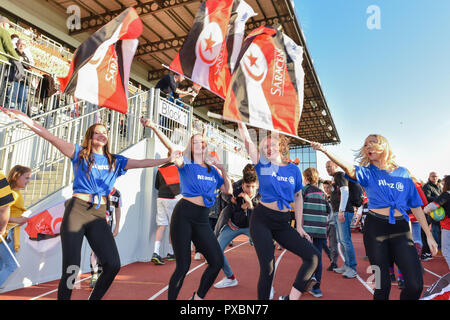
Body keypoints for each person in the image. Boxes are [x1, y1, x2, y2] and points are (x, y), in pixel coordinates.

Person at [1, 108, 181, 300]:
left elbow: (143, 162)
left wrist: (167, 159)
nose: (102, 135)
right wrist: (23, 118)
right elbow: (50, 137)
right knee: (71, 267)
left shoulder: (116, 161)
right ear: (90, 136)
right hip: (77, 212)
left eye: (105, 132)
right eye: (97, 132)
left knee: (113, 264)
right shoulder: (79, 153)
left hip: (98, 214)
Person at [311, 134, 438, 300]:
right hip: (375, 231)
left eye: (372, 142)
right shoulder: (368, 172)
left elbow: (415, 206)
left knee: (415, 285)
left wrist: (429, 236)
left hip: (401, 230)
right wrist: (325, 151)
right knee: (381, 286)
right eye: (365, 144)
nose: (367, 146)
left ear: (383, 145)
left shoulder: (403, 173)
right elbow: (349, 168)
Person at [237, 123, 319, 300]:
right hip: (262, 220)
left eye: (271, 145)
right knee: (268, 269)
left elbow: (298, 197)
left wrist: (299, 227)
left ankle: (291, 298)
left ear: (280, 146)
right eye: (264, 146)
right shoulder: (262, 164)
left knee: (313, 256)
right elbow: (246, 139)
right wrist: (239, 120)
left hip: (282, 222)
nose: (267, 149)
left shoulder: (293, 170)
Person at [167, 133, 232, 300]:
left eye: (202, 142)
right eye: (195, 142)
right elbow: (174, 151)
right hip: (184, 215)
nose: (199, 144)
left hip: (202, 219)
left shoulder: (212, 170)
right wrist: (153, 126)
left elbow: (228, 190)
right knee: (183, 266)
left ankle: (197, 298)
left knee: (216, 262)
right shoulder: (186, 163)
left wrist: (222, 169)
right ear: (190, 146)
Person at [141, 118, 182, 265]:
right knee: (173, 226)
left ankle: (156, 252)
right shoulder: (178, 167)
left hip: (160, 198)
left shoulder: (161, 168)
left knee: (162, 225)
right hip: (174, 198)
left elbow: (157, 186)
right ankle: (171, 252)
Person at [213, 164, 259, 289]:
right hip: (234, 224)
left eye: (252, 186)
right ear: (243, 182)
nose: (249, 189)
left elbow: (257, 219)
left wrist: (250, 205)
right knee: (216, 249)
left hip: (252, 226)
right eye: (247, 186)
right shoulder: (236, 187)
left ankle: (267, 284)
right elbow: (224, 196)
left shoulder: (262, 193)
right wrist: (233, 202)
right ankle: (230, 278)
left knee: (265, 250)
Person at [325, 160, 358, 279]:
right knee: (341, 240)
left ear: (336, 166)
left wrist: (341, 210)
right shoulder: (335, 178)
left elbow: (345, 191)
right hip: (338, 212)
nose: (328, 169)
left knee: (345, 240)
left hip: (343, 212)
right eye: (326, 167)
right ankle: (347, 264)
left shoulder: (339, 175)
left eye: (330, 166)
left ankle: (352, 268)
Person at [302, 167, 331, 298]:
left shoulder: (304, 191)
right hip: (320, 230)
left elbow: (297, 206)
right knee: (318, 258)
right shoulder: (322, 193)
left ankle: (309, 278)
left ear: (306, 179)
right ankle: (317, 289)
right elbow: (328, 210)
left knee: (307, 257)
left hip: (308, 229)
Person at [0, 165, 31, 288]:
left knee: (3, 264)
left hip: (8, 233)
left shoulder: (15, 193)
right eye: (26, 178)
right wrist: (18, 220)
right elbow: (3, 211)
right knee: (12, 265)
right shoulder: (13, 194)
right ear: (16, 176)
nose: (28, 181)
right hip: (7, 234)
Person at [90, 187, 122, 288]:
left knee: (104, 251)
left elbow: (118, 210)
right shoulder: (98, 189)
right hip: (96, 223)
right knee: (95, 249)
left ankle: (99, 273)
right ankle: (94, 275)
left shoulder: (117, 193)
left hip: (108, 226)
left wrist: (117, 227)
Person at [423, 175, 450, 269]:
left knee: (446, 251)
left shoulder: (446, 195)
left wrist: (424, 210)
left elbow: (432, 206)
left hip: (448, 226)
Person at [422, 171, 442, 257]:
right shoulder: (427, 186)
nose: (435, 178)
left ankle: (439, 248)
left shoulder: (439, 186)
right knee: (434, 230)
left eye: (436, 176)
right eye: (433, 176)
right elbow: (427, 197)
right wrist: (439, 199)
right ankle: (435, 250)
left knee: (439, 230)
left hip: (439, 211)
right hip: (431, 212)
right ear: (429, 177)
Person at [323, 180, 339, 271]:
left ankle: (334, 262)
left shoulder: (334, 197)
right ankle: (331, 257)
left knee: (333, 244)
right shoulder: (325, 198)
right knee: (323, 243)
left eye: (328, 187)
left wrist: (330, 219)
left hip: (333, 223)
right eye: (324, 188)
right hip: (326, 224)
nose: (326, 189)